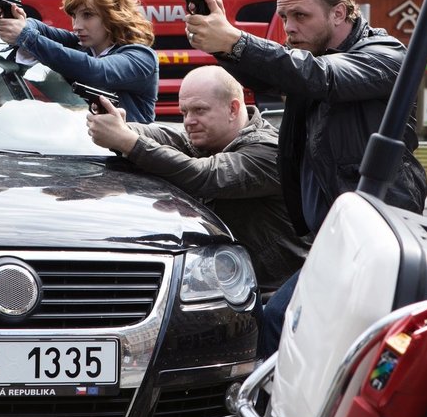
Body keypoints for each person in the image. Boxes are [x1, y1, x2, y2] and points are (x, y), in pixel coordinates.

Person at [185, 0, 427, 357]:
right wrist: (221, 46)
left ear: (340, 11)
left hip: (374, 240)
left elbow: (320, 77)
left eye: (300, 15)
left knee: (283, 321)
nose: (289, 27)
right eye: (283, 17)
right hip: (335, 240)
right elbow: (275, 75)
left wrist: (236, 42)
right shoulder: (309, 56)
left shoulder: (385, 55)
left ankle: (270, 413)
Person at [85, 65, 310, 293]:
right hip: (233, 286)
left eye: (199, 110)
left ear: (233, 109)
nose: (188, 121)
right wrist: (120, 127)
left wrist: (128, 142)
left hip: (279, 293)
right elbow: (166, 137)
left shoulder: (269, 151)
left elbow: (204, 175)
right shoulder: (211, 139)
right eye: (184, 112)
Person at [0, 0, 159, 122]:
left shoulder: (142, 57)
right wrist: (19, 24)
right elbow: (37, 27)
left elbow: (95, 71)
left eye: (87, 15)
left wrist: (26, 36)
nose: (77, 25)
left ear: (113, 15)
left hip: (128, 152)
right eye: (74, 16)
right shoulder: (79, 44)